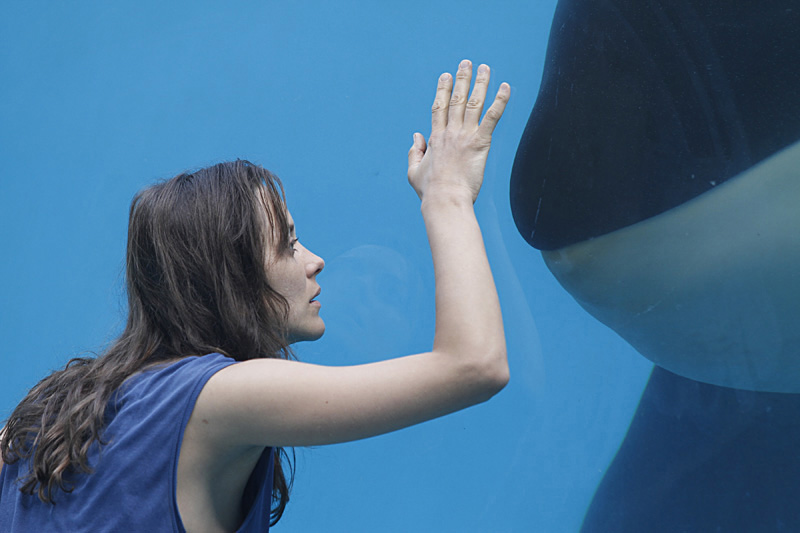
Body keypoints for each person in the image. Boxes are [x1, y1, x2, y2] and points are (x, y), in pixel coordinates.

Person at [0, 60, 510, 532]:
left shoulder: (52, 404)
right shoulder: (221, 395)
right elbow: (474, 365)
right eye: (288, 245)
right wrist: (448, 194)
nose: (314, 260)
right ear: (230, 280)